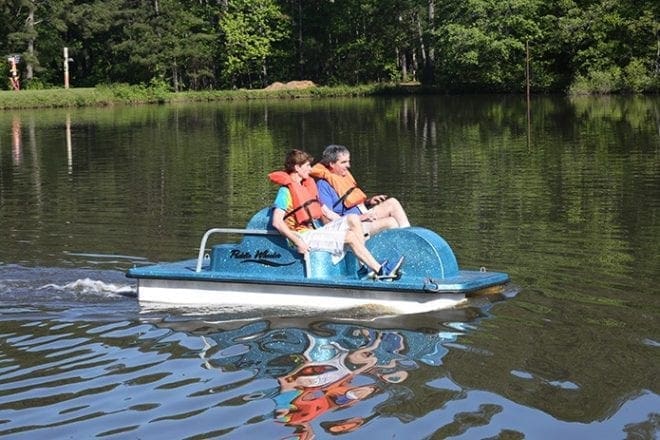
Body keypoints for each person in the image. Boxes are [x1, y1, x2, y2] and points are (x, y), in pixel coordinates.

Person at [269, 149, 403, 279]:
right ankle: (381, 271)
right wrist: (298, 242)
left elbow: (325, 212)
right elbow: (277, 221)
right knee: (349, 237)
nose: (311, 169)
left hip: (314, 231)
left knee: (352, 218)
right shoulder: (285, 192)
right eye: (308, 166)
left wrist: (357, 216)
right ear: (297, 168)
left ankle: (364, 268)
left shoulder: (305, 187)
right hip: (302, 236)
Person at [310, 144, 410, 236]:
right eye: (343, 162)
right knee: (391, 222)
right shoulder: (323, 185)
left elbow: (349, 204)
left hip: (363, 215)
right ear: (332, 164)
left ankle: (411, 238)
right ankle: (402, 247)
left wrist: (368, 203)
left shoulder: (343, 177)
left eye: (348, 161)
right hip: (351, 226)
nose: (348, 166)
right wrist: (360, 218)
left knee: (393, 203)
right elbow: (328, 222)